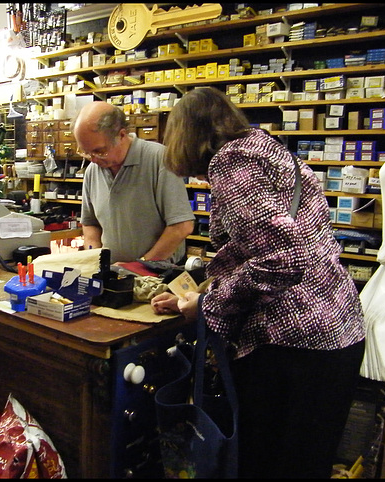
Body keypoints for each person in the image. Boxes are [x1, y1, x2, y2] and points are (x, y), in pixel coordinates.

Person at [151, 87, 366, 479]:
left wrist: (208, 306)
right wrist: (198, 287)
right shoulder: (268, 151)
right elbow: (258, 247)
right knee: (306, 460)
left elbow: (284, 258)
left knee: (270, 463)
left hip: (295, 343)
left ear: (188, 135)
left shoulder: (233, 163)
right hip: (337, 329)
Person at [72, 101, 195, 264]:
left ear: (121, 135)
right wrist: (95, 258)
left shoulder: (160, 160)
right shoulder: (92, 171)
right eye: (85, 152)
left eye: (99, 151)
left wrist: (140, 266)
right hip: (114, 275)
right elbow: (90, 224)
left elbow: (182, 226)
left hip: (158, 274)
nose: (93, 160)